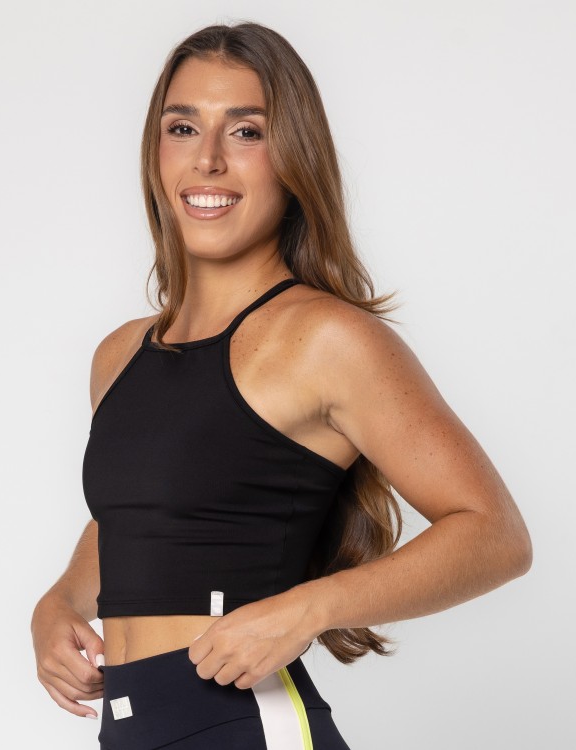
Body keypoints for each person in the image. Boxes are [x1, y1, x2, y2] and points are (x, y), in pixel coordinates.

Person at [31, 21, 533, 749]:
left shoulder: (326, 339)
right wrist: (57, 603)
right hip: (132, 729)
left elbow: (495, 533)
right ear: (154, 151)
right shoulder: (119, 355)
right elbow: (140, 515)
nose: (207, 159)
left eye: (246, 132)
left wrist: (308, 609)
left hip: (244, 724)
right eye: (182, 127)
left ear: (294, 158)